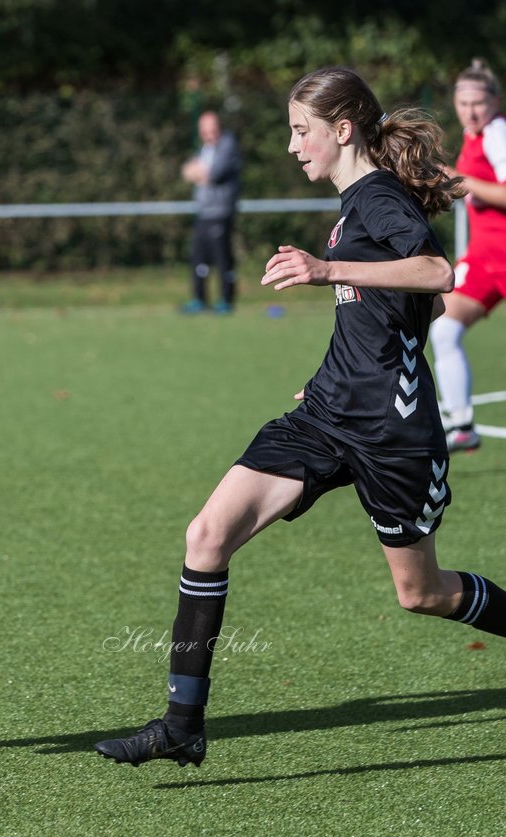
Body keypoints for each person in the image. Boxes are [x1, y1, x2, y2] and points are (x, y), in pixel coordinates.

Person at [95, 67, 506, 769]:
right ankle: (181, 725)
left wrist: (324, 274)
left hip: (392, 434)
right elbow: (403, 312)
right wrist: (343, 371)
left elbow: (437, 277)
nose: (291, 146)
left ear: (341, 130)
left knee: (422, 593)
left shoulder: (378, 198)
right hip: (326, 415)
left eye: (300, 130)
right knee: (207, 535)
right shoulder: (351, 209)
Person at [431, 59, 506, 453]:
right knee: (444, 328)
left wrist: (459, 181)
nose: (471, 110)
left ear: (495, 101)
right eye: (463, 103)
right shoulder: (473, 135)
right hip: (484, 258)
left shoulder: (497, 133)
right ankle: (461, 425)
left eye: (478, 102)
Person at [180, 111, 242, 315]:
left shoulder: (227, 144)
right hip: (203, 212)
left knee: (222, 259)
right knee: (199, 258)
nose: (208, 133)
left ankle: (225, 299)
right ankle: (199, 299)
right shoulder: (205, 148)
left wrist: (201, 173)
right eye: (204, 129)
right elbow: (186, 171)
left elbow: (214, 174)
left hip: (221, 212)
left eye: (211, 128)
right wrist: (200, 173)